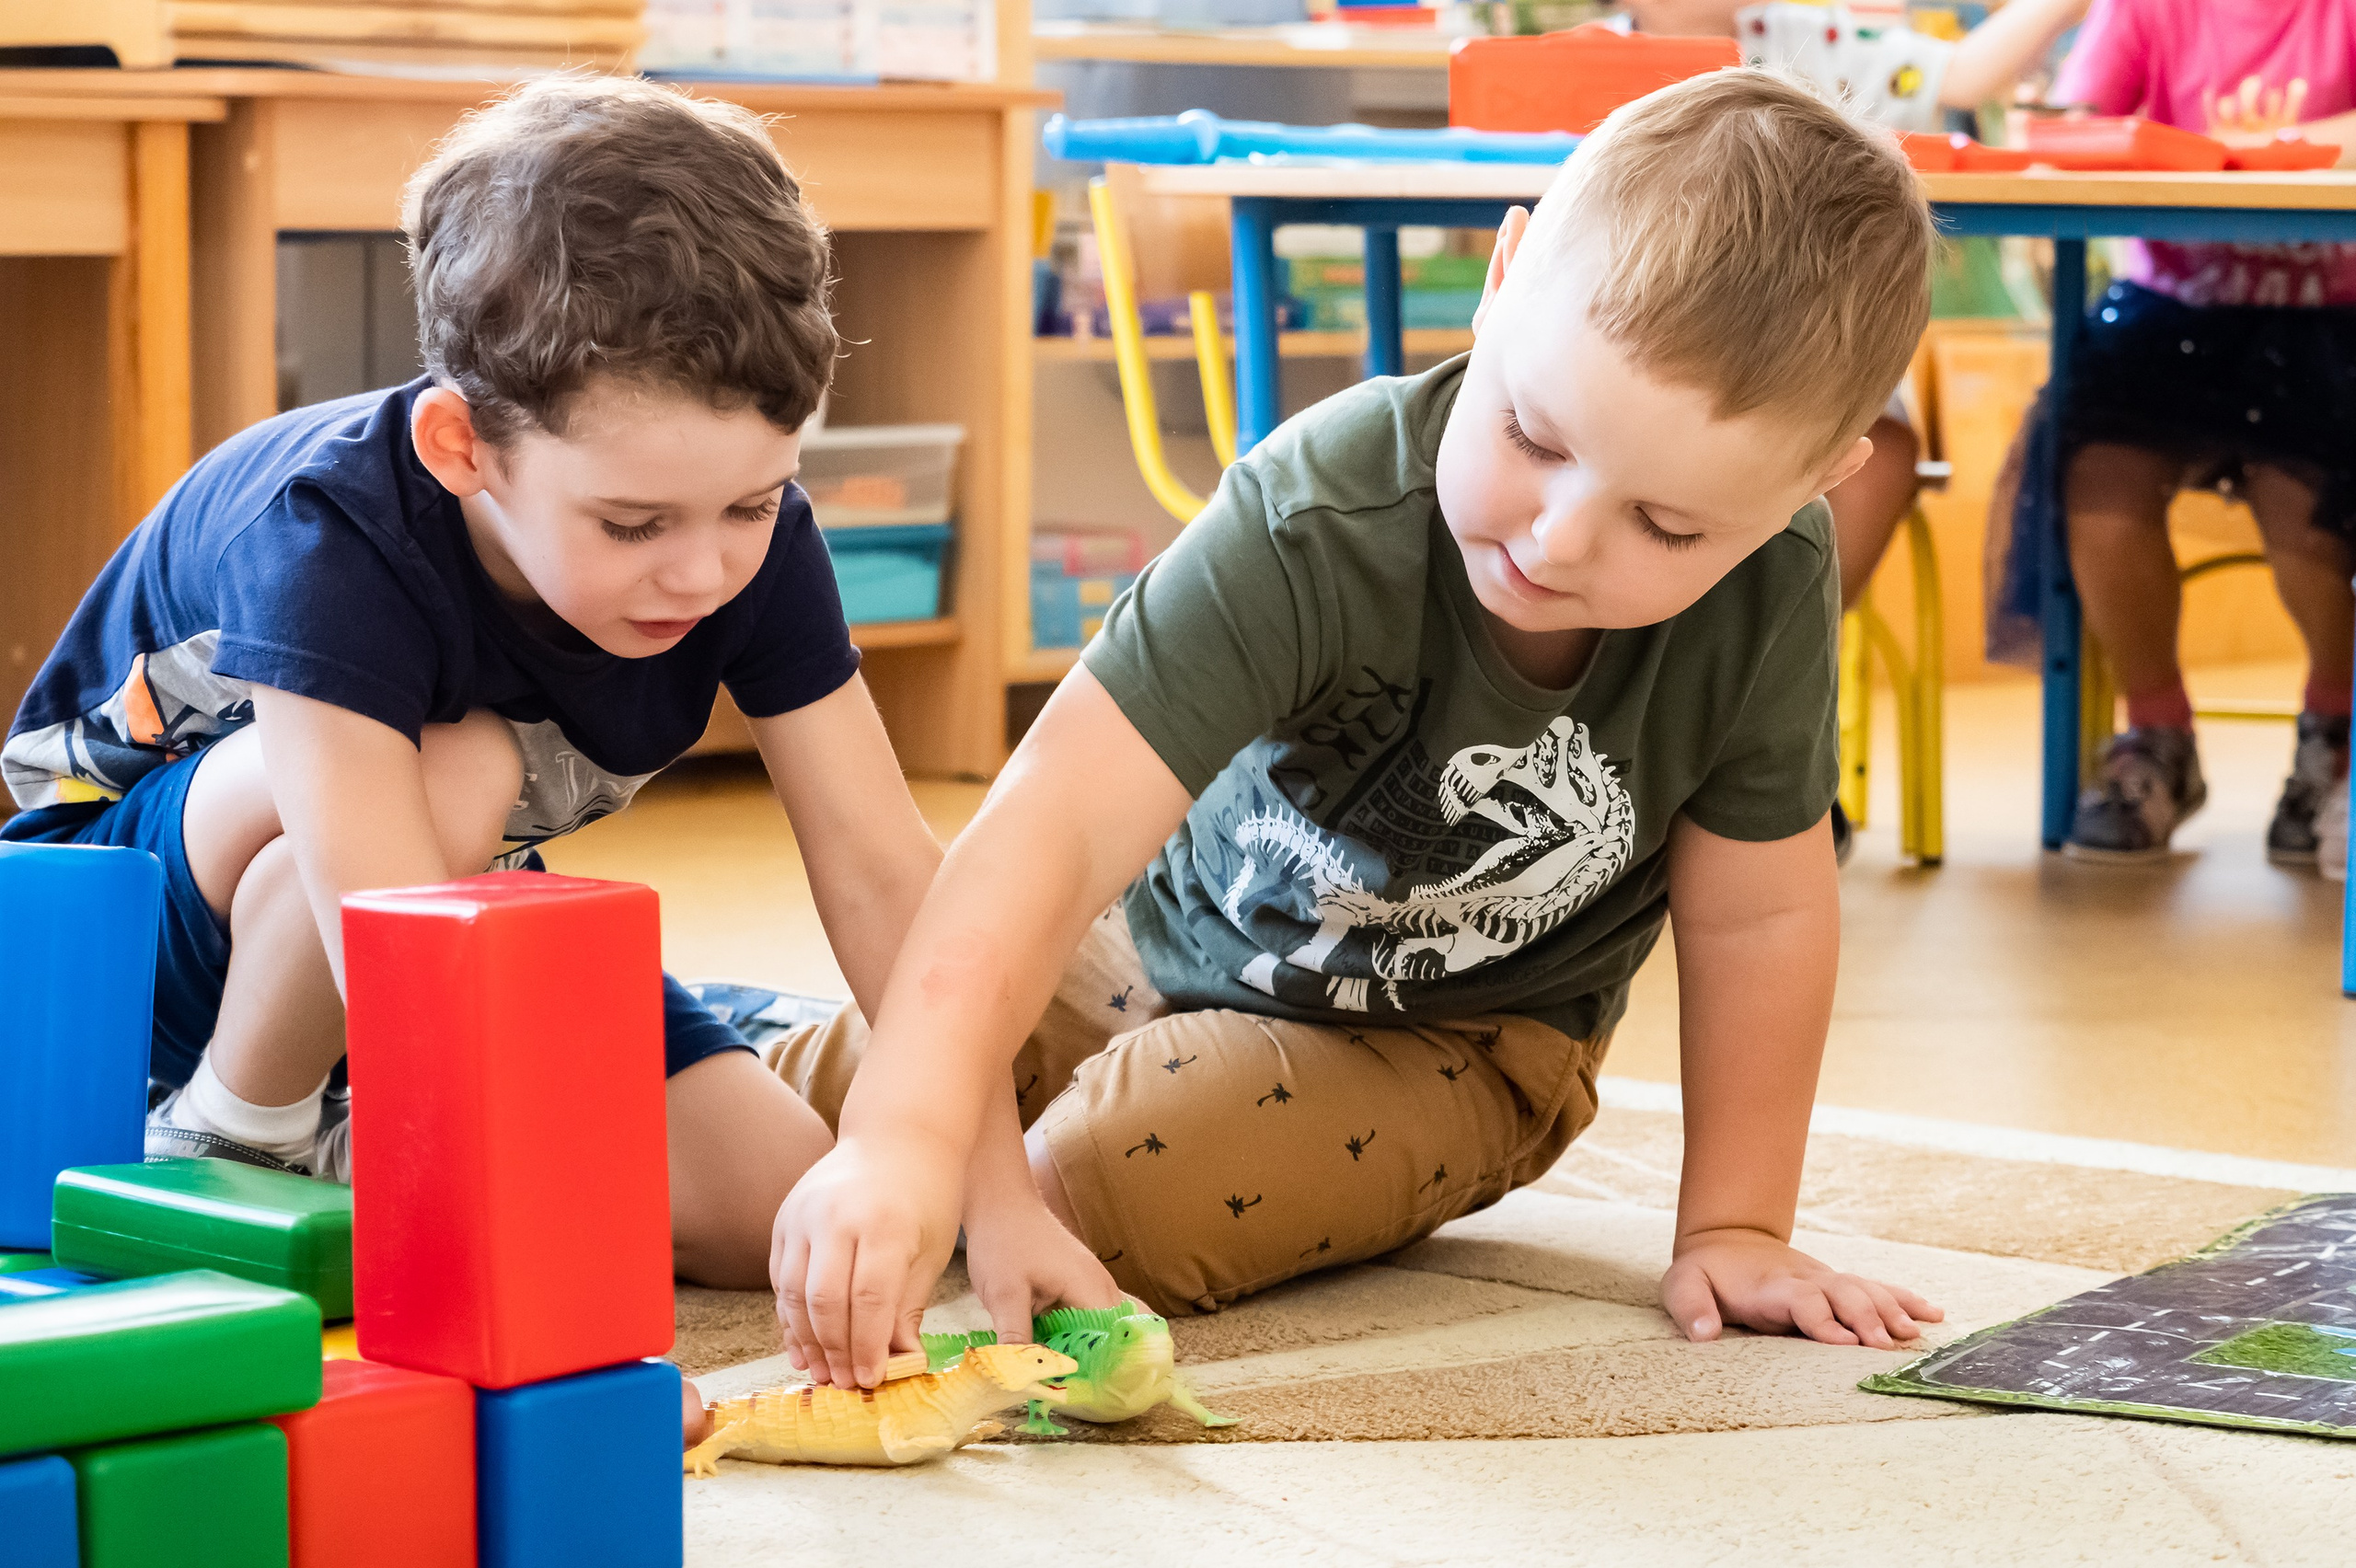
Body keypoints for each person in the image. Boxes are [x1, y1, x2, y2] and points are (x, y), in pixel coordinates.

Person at [764, 70, 1946, 1392]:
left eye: (1668, 528)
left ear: (1818, 479)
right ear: (1502, 282)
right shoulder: (1315, 511)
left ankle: (985, 1162)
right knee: (813, 1111)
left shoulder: (1775, 586)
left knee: (1093, 1189)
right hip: (1152, 943)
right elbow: (1055, 817)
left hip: (1463, 1043)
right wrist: (912, 1130)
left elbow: (1761, 918)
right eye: (1532, 434)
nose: (1556, 539)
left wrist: (1737, 1225)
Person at [0, 76, 941, 1291]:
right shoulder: (327, 531)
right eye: (633, 522)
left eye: (751, 504)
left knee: (771, 1198)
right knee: (461, 765)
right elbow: (374, 922)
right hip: (123, 943)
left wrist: (984, 1184)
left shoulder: (746, 545)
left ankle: (319, 1140)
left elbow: (876, 859)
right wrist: (546, 1310)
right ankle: (230, 1135)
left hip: (438, 906)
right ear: (464, 448)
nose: (703, 568)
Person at [1618, 2, 2093, 859]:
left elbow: (1966, 76)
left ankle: (1758, 734)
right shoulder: (1576, 66)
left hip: (1804, 359)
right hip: (1638, 362)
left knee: (1874, 451)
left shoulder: (1811, 40)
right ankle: (1665, 732)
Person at [2017, 0, 2356, 865]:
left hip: (2330, 321)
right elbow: (2071, 127)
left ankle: (2336, 733)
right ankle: (2156, 735)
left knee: (2307, 499)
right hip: (2171, 313)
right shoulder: (2145, 8)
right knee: (2095, 473)